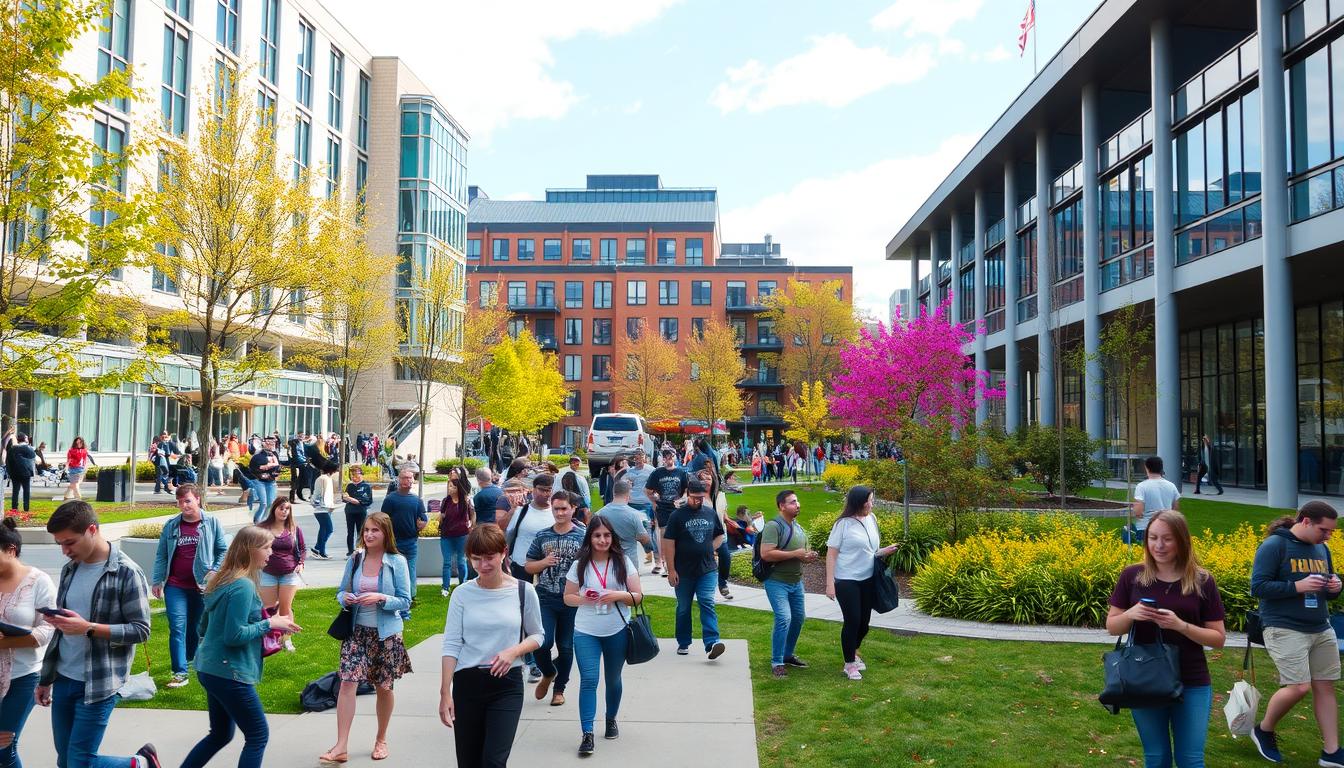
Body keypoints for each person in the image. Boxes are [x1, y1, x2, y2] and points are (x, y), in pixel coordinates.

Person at [36, 500, 157, 768]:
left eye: (70, 542)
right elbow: (65, 629)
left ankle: (139, 764)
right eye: (60, 544)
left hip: (100, 683)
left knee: (80, 762)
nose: (65, 551)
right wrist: (46, 678)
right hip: (65, 677)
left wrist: (88, 628)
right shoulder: (71, 569)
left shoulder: (127, 572)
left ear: (92, 530)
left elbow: (141, 630)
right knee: (66, 761)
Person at [1105, 510, 1226, 767]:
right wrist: (1132, 614)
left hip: (1192, 678)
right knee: (1156, 756)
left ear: (1182, 541)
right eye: (1153, 537)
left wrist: (1181, 625)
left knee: (1190, 759)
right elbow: (1113, 627)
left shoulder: (1202, 581)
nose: (1159, 545)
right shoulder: (1132, 576)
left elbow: (1217, 638)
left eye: (1167, 539)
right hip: (1144, 679)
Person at [182, 526, 301, 768]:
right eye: (267, 547)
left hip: (209, 668)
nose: (272, 552)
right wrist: (270, 623)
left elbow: (203, 627)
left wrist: (263, 619)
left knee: (220, 735)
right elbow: (234, 635)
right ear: (250, 550)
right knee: (258, 735)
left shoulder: (222, 580)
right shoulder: (243, 586)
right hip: (229, 672)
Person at [1247, 501, 1344, 766]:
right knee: (1299, 687)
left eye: (1331, 532)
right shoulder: (1274, 546)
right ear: (1305, 522)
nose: (1328, 536)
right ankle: (1264, 730)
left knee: (1325, 685)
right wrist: (1297, 586)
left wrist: (1335, 586)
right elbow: (1258, 587)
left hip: (1320, 626)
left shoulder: (1322, 549)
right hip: (1283, 626)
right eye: (1324, 530)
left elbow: (1329, 588)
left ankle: (1332, 752)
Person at [439, 524, 544, 768]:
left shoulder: (523, 591)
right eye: (476, 559)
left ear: (503, 553)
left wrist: (513, 651)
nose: (483, 565)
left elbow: (538, 635)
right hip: (467, 683)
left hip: (506, 686)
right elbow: (452, 644)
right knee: (469, 762)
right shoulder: (462, 594)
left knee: (494, 762)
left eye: (489, 557)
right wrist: (445, 692)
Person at [320, 512, 413, 764]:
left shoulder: (397, 561)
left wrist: (381, 598)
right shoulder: (356, 559)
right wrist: (346, 598)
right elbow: (341, 591)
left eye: (375, 530)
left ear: (386, 533)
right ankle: (341, 746)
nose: (369, 535)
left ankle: (381, 739)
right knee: (347, 683)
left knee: (383, 687)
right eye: (366, 530)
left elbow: (406, 600)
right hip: (356, 632)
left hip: (386, 634)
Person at [563, 516, 642, 756]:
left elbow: (637, 595)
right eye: (597, 535)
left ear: (612, 537)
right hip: (586, 630)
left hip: (616, 629)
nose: (602, 540)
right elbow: (568, 597)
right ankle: (587, 733)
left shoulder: (623, 561)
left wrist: (616, 594)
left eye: (606, 535)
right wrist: (584, 599)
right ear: (590, 538)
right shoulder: (580, 564)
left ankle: (611, 719)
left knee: (613, 678)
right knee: (589, 680)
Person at [151, 484, 228, 690]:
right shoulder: (171, 525)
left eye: (187, 501)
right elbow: (162, 555)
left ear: (198, 500)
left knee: (195, 627)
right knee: (177, 627)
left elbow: (222, 550)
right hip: (175, 586)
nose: (184, 506)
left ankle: (191, 660)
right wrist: (157, 580)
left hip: (201, 586)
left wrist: (214, 570)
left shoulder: (211, 522)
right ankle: (180, 672)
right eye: (180, 502)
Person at [825, 485, 898, 681]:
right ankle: (849, 663)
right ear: (859, 502)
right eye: (870, 500)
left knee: (864, 623)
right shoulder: (843, 524)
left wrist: (884, 551)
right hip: (847, 580)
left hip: (868, 578)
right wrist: (829, 583)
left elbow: (869, 550)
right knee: (853, 620)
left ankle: (854, 651)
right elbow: (831, 555)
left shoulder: (871, 519)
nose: (872, 503)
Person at [0, 517, 56, 766]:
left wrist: (5, 642)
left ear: (10, 550)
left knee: (3, 749)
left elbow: (49, 628)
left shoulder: (38, 581)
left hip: (22, 678)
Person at [525, 491, 586, 708]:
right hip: (545, 597)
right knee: (542, 642)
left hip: (571, 600)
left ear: (573, 509)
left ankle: (559, 689)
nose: (559, 513)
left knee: (566, 646)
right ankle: (548, 672)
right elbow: (528, 565)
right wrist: (544, 562)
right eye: (556, 508)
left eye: (563, 508)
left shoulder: (582, 536)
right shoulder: (542, 536)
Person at [662, 478, 726, 659]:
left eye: (701, 497)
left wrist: (708, 548)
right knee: (683, 607)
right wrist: (671, 570)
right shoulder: (677, 516)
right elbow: (669, 543)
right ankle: (683, 642)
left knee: (707, 601)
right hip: (683, 571)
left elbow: (720, 535)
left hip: (707, 569)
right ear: (687, 495)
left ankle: (712, 643)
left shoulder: (709, 513)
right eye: (695, 497)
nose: (698, 501)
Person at [760, 489, 816, 678]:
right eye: (792, 502)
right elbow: (766, 554)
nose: (797, 504)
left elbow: (802, 553)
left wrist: (808, 557)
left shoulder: (798, 527)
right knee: (784, 618)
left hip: (796, 582)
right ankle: (777, 661)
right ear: (782, 506)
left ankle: (787, 654)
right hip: (777, 582)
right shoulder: (773, 526)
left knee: (798, 618)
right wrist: (796, 554)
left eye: (797, 501)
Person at [257, 497, 305, 653]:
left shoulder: (294, 528)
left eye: (287, 509)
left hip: (289, 573)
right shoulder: (264, 527)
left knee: (285, 607)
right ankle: (271, 638)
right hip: (268, 573)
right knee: (270, 609)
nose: (284, 511)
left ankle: (287, 639)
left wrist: (301, 563)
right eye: (281, 508)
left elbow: (302, 549)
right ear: (274, 509)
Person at [379, 469, 428, 615]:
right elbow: (383, 520)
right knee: (394, 573)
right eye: (406, 478)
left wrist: (423, 523)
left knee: (411, 572)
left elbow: (423, 517)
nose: (409, 480)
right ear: (399, 480)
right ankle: (395, 602)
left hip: (411, 542)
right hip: (394, 542)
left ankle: (409, 600)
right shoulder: (391, 499)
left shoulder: (417, 500)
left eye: (411, 478)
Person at [645, 447, 689, 577]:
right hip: (663, 508)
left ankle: (678, 563)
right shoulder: (657, 473)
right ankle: (665, 564)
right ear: (662, 458)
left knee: (680, 535)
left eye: (671, 456)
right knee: (665, 535)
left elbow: (686, 490)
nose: (668, 459)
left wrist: (683, 499)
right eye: (666, 457)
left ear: (675, 457)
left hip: (678, 508)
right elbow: (648, 490)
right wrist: (653, 502)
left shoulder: (681, 473)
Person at [594, 479, 651, 574]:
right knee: (631, 588)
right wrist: (649, 547)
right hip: (629, 563)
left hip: (606, 562)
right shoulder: (634, 515)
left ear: (613, 493)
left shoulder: (599, 514)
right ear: (628, 495)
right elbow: (644, 538)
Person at [438, 467, 474, 595]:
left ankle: (462, 584)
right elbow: (441, 519)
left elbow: (472, 513)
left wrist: (471, 525)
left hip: (461, 534)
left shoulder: (465, 500)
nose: (450, 489)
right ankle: (445, 587)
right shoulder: (446, 501)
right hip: (447, 535)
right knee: (447, 562)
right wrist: (441, 518)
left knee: (461, 560)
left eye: (452, 487)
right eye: (449, 487)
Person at [620, 449, 657, 568]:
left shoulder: (651, 470)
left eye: (640, 457)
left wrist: (655, 497)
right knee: (632, 532)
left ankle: (651, 551)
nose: (638, 460)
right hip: (631, 504)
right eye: (636, 458)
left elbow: (657, 484)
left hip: (646, 504)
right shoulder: (629, 472)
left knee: (646, 529)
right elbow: (621, 485)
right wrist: (627, 485)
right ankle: (635, 560)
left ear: (644, 457)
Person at [1131, 455, 1181, 540]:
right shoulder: (1171, 486)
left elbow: (1138, 510)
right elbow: (1175, 509)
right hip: (1166, 526)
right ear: (1161, 468)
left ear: (1147, 468)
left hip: (1145, 527)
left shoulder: (1141, 486)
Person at [248, 436, 282, 524]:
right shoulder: (258, 456)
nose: (271, 445)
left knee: (271, 503)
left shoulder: (275, 454)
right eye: (269, 443)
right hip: (260, 482)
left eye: (273, 443)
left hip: (271, 481)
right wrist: (263, 468)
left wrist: (276, 472)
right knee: (264, 503)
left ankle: (265, 521)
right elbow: (253, 468)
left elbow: (278, 467)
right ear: (264, 444)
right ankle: (257, 521)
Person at [342, 465, 374, 558]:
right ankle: (350, 551)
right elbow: (344, 498)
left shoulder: (366, 486)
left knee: (361, 531)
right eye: (352, 474)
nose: (354, 477)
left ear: (361, 474)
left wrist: (352, 499)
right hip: (350, 511)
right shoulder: (350, 486)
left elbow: (367, 500)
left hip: (361, 511)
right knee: (350, 532)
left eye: (356, 474)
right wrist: (348, 498)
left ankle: (360, 550)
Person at [308, 462, 338, 561]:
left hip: (325, 508)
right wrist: (322, 504)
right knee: (328, 529)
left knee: (325, 529)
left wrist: (331, 505)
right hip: (321, 508)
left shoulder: (327, 479)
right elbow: (319, 493)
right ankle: (320, 550)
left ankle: (318, 549)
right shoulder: (322, 479)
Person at [2, 437, 33, 514]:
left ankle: (14, 508)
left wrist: (9, 473)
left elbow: (7, 461)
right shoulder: (27, 448)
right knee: (26, 491)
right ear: (24, 439)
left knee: (15, 491)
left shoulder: (12, 449)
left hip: (15, 473)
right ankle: (26, 508)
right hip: (25, 473)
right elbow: (32, 456)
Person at [63, 437, 94, 501]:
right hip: (73, 469)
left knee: (74, 484)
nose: (78, 444)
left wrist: (89, 466)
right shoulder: (71, 451)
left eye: (80, 442)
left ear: (82, 443)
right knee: (75, 484)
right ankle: (78, 498)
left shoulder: (84, 450)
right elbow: (68, 460)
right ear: (75, 443)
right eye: (77, 442)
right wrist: (66, 467)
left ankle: (69, 496)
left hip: (81, 469)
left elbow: (87, 459)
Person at [286, 433, 308, 503]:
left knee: (303, 480)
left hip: (303, 464)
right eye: (300, 436)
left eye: (302, 436)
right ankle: (292, 498)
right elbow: (291, 454)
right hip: (296, 465)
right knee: (295, 481)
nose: (301, 437)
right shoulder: (294, 443)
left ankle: (299, 494)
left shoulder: (304, 444)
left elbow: (305, 453)